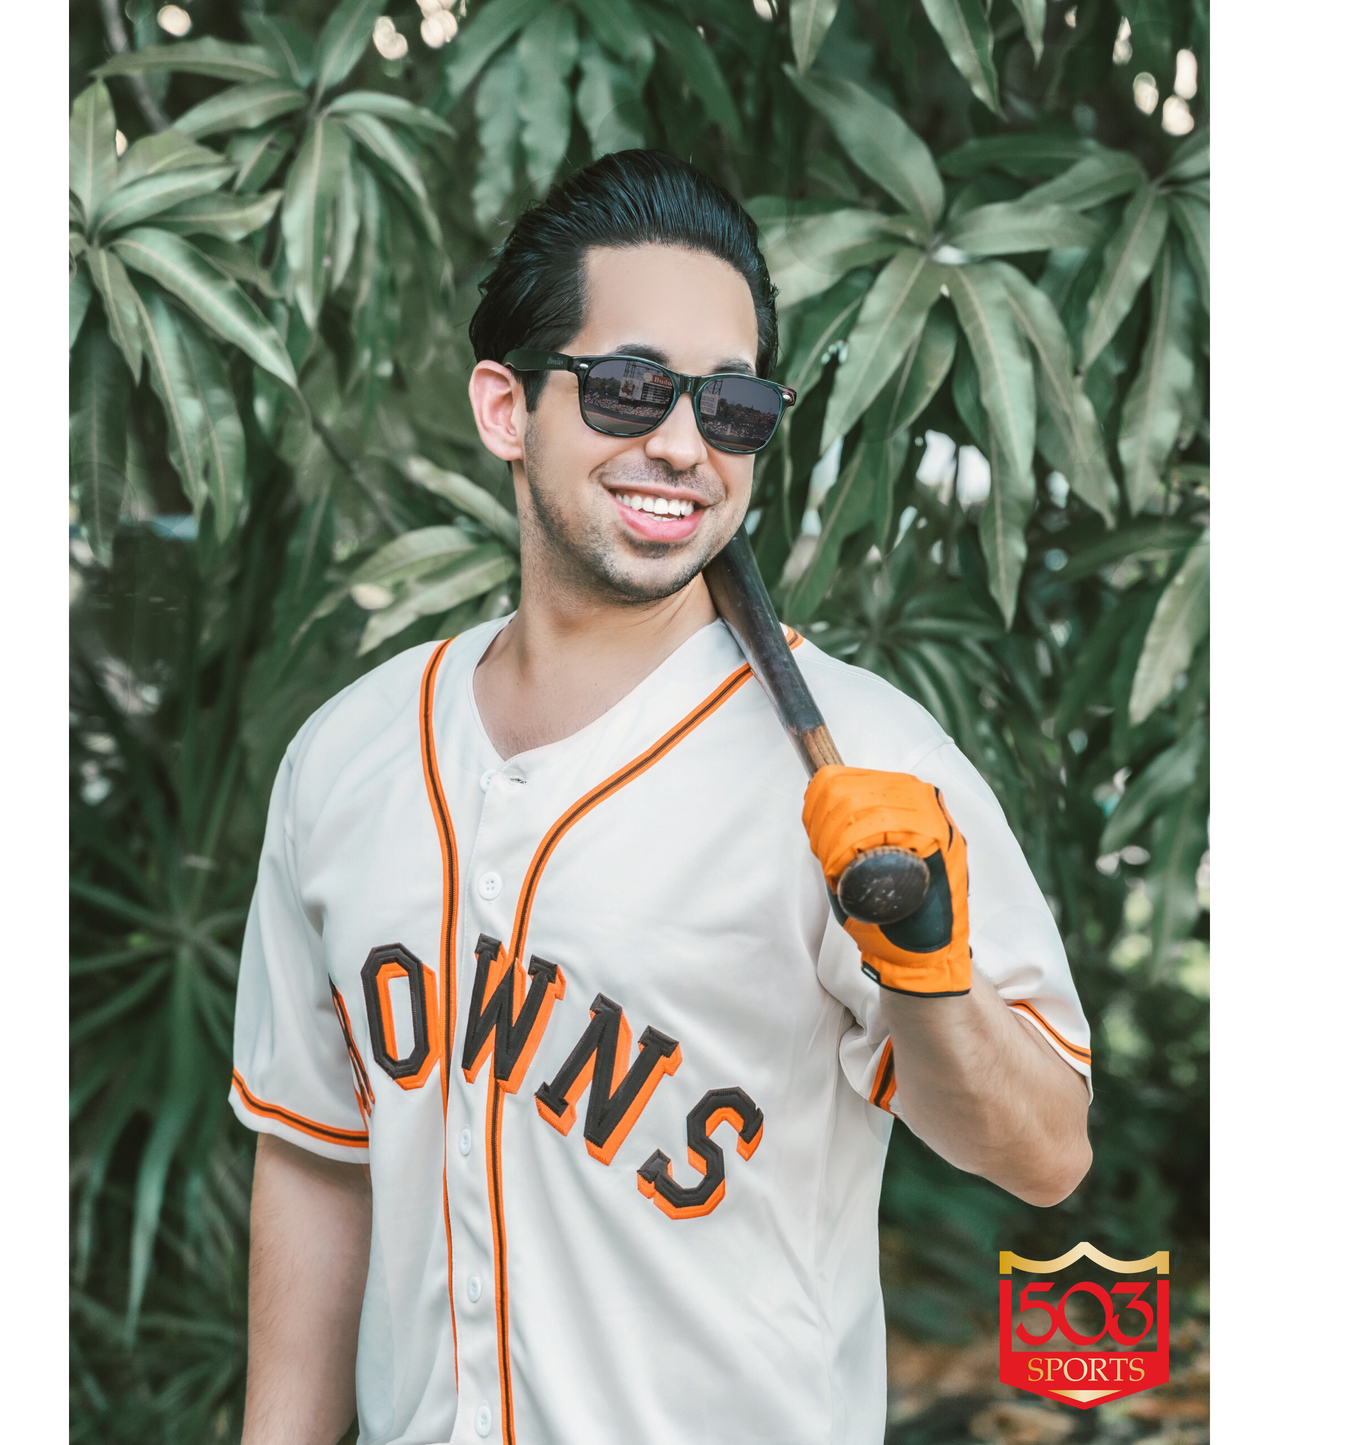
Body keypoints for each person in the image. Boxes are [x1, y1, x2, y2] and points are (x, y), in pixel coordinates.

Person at [231, 150, 1092, 1445]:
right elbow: (314, 1156)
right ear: (506, 408)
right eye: (633, 390)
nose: (685, 446)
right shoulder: (346, 756)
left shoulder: (861, 760)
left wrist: (930, 969)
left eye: (734, 406)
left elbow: (1046, 1154)